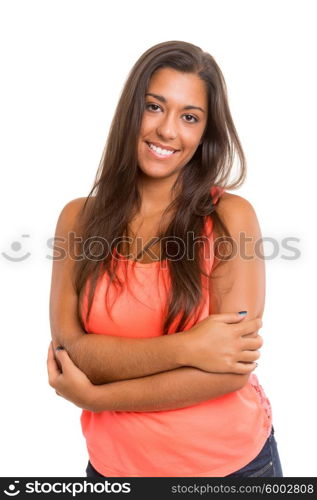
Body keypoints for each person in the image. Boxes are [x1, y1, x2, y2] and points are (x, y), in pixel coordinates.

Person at [47, 40, 283, 478]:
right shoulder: (78, 219)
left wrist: (96, 397)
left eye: (189, 117)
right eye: (154, 107)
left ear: (205, 133)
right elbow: (71, 353)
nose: (168, 131)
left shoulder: (230, 218)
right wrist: (189, 347)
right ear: (131, 111)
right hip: (114, 471)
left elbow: (229, 373)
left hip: (231, 470)